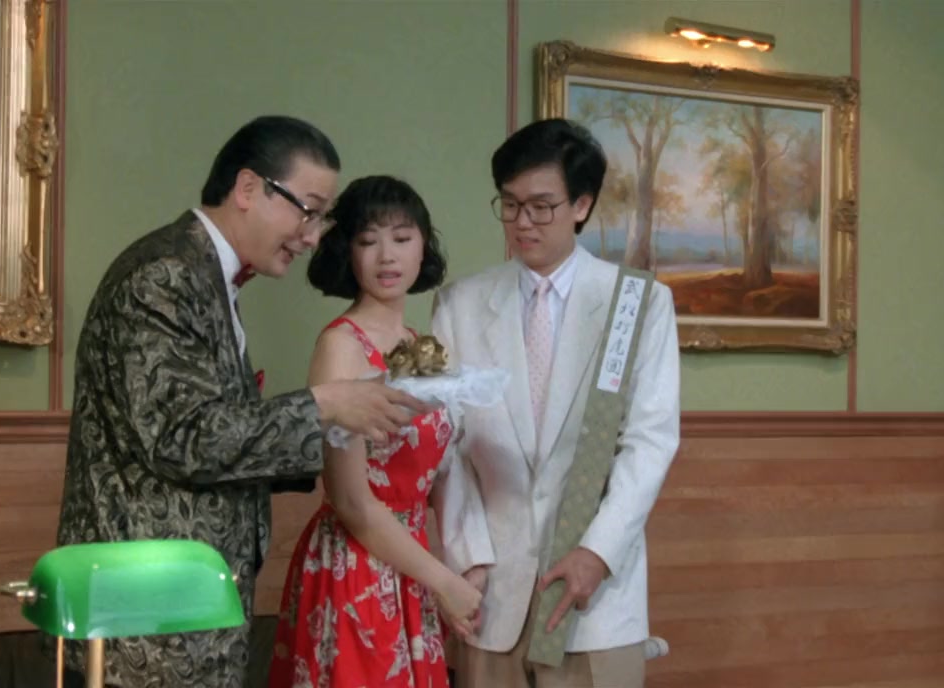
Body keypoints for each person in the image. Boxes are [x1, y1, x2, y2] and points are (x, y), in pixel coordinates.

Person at [55, 117, 432, 688]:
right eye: (308, 211)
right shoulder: (165, 276)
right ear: (249, 188)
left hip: (189, 610)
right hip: (148, 622)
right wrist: (322, 406)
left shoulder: (208, 277)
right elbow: (183, 438)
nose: (312, 236)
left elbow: (218, 437)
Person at [430, 118, 681, 687]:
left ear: (582, 205)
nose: (522, 222)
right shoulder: (459, 306)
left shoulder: (637, 303)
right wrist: (466, 555)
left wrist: (599, 552)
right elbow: (447, 447)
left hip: (593, 597)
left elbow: (649, 440)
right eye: (510, 204)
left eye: (542, 206)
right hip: (489, 595)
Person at [267, 175, 483, 688]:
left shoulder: (421, 344)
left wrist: (453, 568)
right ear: (348, 251)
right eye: (368, 241)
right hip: (355, 565)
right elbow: (350, 501)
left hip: (412, 561)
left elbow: (440, 471)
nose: (387, 256)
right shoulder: (341, 346)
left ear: (423, 247)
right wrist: (443, 580)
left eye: (402, 238)